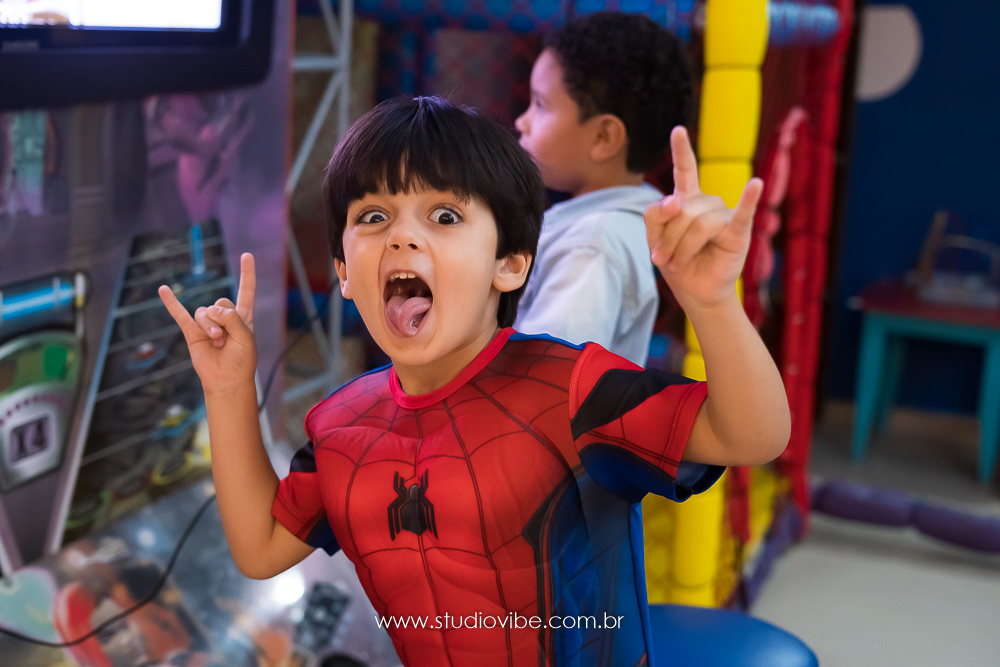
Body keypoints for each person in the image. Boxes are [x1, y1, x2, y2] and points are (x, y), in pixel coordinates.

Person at [159, 96, 789, 666]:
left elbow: (753, 436)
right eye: (374, 215)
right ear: (344, 272)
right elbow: (262, 548)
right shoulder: (339, 426)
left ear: (509, 264)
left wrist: (711, 302)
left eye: (444, 215)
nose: (402, 236)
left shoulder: (571, 390)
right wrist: (228, 389)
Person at [513, 11, 694, 366]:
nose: (523, 121)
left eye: (540, 105)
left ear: (603, 137)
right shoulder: (615, 224)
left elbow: (544, 377)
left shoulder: (591, 248)